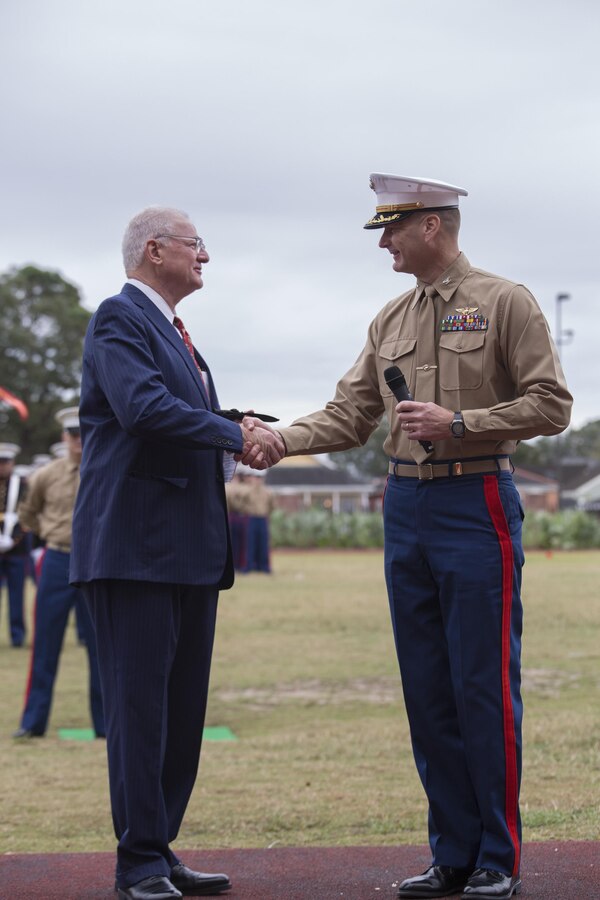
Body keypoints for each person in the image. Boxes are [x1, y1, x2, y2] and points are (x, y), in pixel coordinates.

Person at [252, 174, 572, 900]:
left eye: (392, 229)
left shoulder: (506, 301)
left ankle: (497, 855)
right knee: (427, 688)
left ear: (433, 227)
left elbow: (552, 404)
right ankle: (451, 853)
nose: (385, 243)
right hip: (405, 506)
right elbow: (349, 412)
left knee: (480, 683)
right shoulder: (389, 318)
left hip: (476, 496)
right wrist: (279, 439)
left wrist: (460, 425)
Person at [70, 206, 284, 900]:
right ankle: (137, 864)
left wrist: (237, 429)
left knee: (181, 713)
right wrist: (231, 429)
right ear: (155, 250)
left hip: (186, 553)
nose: (206, 257)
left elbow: (180, 421)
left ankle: (159, 851)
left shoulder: (179, 338)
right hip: (135, 551)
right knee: (140, 713)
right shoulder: (119, 318)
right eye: (197, 246)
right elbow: (144, 409)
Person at [13, 408, 104, 738]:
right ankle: (33, 723)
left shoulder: (103, 468)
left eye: (82, 433)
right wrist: (52, 534)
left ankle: (106, 725)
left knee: (101, 646)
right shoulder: (45, 475)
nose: (78, 440)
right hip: (57, 559)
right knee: (45, 645)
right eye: (72, 434)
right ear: (64, 438)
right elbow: (28, 514)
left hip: (96, 562)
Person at [0, 442, 28, 646]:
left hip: (16, 550)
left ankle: (17, 636)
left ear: (12, 463)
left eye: (5, 462)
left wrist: (14, 539)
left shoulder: (23, 485)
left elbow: (26, 514)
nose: (2, 466)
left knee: (17, 595)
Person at [242, 473, 275, 573]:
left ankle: (264, 566)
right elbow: (243, 503)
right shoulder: (249, 492)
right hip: (252, 518)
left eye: (260, 478)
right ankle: (249, 565)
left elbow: (271, 506)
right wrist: (247, 510)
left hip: (262, 518)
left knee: (263, 543)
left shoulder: (268, 492)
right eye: (256, 478)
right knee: (250, 543)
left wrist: (267, 514)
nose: (258, 480)